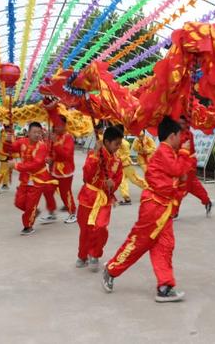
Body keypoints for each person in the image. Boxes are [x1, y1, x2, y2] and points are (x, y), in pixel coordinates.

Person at [102, 116, 196, 303]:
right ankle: (111, 269)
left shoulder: (168, 150)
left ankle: (165, 286)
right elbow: (177, 169)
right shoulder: (164, 152)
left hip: (164, 207)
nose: (181, 139)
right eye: (179, 135)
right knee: (139, 243)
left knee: (165, 245)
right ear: (172, 136)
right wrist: (186, 155)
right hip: (154, 206)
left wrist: (186, 157)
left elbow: (182, 176)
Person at [75, 125, 123, 271]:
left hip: (104, 199)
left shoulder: (117, 162)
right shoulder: (94, 154)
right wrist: (96, 154)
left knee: (101, 227)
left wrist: (111, 184)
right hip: (88, 197)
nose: (118, 147)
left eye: (120, 144)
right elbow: (87, 177)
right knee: (85, 229)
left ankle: (95, 254)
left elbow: (118, 179)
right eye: (116, 144)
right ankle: (82, 255)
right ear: (107, 142)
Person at [7, 121, 56, 236]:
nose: (37, 134)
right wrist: (7, 140)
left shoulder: (42, 146)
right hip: (25, 178)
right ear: (28, 132)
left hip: (38, 180)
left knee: (30, 205)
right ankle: (33, 212)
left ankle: (28, 226)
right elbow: (11, 148)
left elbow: (36, 164)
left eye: (39, 132)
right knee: (18, 202)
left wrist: (16, 166)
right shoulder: (22, 142)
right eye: (34, 132)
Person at [39, 115, 77, 224]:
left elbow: (65, 155)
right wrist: (49, 158)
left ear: (64, 125)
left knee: (65, 193)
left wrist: (55, 143)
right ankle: (52, 213)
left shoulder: (68, 137)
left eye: (59, 125)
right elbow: (51, 152)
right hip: (54, 170)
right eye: (55, 125)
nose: (56, 128)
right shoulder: (54, 137)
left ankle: (73, 213)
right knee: (47, 189)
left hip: (65, 171)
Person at [177, 116, 213, 217]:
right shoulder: (178, 133)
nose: (180, 125)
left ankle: (174, 211)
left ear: (186, 124)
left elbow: (183, 150)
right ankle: (207, 201)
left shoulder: (188, 135)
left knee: (181, 187)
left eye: (182, 123)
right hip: (182, 162)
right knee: (194, 186)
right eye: (179, 123)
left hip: (188, 164)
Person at [115, 124, 148, 205]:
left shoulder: (124, 143)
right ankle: (126, 198)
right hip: (120, 166)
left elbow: (126, 154)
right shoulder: (117, 141)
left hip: (127, 165)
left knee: (135, 180)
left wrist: (118, 160)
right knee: (121, 182)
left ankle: (149, 188)